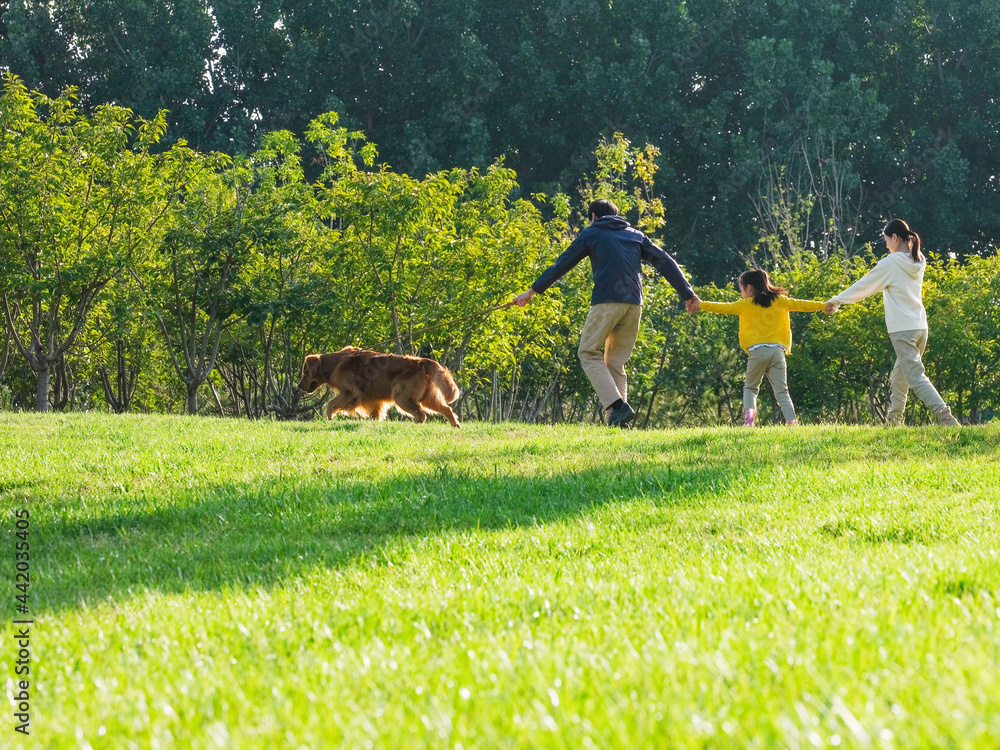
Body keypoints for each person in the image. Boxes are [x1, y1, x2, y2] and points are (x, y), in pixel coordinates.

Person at [512, 198, 698, 428]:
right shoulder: (635, 235)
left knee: (588, 352)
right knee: (615, 362)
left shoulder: (592, 233)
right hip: (634, 303)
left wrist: (531, 292)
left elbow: (562, 263)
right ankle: (619, 422)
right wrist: (688, 293)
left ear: (593, 217)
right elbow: (665, 261)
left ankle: (618, 407)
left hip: (607, 301)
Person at [825, 219, 960, 426]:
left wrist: (835, 301)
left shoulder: (891, 263)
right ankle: (893, 422)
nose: (887, 246)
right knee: (900, 376)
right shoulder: (918, 259)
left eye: (887, 241)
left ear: (895, 238)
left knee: (915, 376)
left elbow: (864, 286)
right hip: (920, 327)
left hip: (903, 329)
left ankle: (946, 417)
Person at [691, 269, 825, 426]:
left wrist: (700, 304)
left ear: (748, 288)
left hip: (757, 352)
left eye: (741, 290)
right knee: (782, 392)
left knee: (750, 388)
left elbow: (723, 307)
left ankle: (749, 423)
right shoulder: (780, 301)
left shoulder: (744, 305)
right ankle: (792, 423)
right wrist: (824, 305)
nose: (741, 294)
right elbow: (802, 304)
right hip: (777, 352)